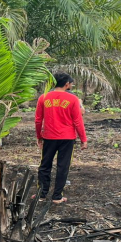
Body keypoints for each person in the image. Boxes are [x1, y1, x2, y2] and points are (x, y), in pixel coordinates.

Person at [35, 72, 87, 204]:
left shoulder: (44, 97)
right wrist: (83, 139)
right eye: (70, 83)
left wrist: (39, 136)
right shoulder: (73, 99)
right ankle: (57, 196)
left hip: (49, 137)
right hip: (67, 138)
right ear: (66, 84)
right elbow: (78, 121)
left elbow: (38, 120)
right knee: (63, 166)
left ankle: (41, 194)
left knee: (45, 165)